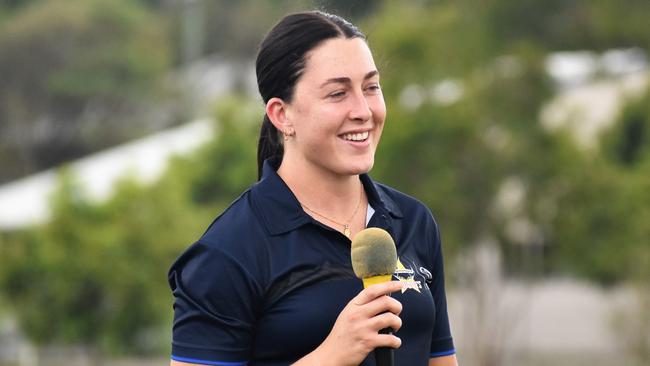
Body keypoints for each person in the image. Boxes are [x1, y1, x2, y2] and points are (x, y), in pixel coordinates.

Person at [168, 10, 458, 366]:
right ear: (281, 115)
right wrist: (333, 354)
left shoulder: (414, 220)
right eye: (338, 93)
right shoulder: (227, 252)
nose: (363, 110)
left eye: (371, 87)